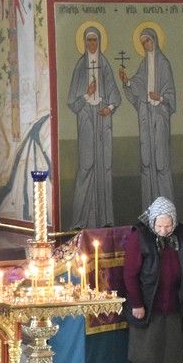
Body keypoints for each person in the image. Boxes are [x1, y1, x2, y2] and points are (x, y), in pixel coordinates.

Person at [122, 197, 183, 363]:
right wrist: (137, 303)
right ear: (152, 222)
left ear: (174, 222)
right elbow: (130, 274)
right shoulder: (139, 236)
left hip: (175, 302)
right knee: (149, 349)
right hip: (149, 304)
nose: (164, 231)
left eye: (168, 226)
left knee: (171, 348)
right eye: (159, 226)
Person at [67, 26, 120, 228]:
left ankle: (105, 219)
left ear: (99, 42)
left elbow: (115, 94)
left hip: (103, 119)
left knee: (104, 168)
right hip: (86, 119)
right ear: (84, 42)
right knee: (86, 166)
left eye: (94, 40)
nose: (91, 44)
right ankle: (80, 220)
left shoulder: (104, 65)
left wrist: (109, 108)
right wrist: (86, 94)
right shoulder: (80, 66)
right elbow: (72, 102)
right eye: (88, 40)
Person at [120, 27, 175, 205]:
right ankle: (149, 208)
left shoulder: (164, 63)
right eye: (143, 42)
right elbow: (137, 84)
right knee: (147, 162)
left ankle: (166, 209)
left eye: (148, 41)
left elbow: (170, 93)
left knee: (161, 162)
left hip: (159, 117)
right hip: (147, 117)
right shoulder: (144, 64)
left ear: (155, 41)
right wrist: (127, 81)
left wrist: (160, 98)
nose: (146, 44)